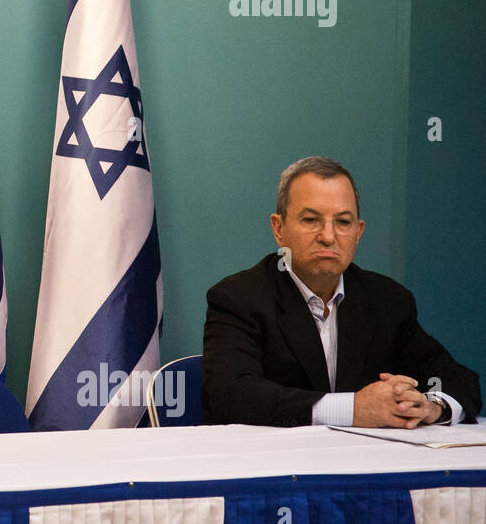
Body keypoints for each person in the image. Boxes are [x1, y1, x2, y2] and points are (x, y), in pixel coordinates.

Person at [203, 156, 479, 428]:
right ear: (279, 228)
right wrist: (353, 408)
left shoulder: (387, 300)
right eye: (311, 220)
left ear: (358, 232)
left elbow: (458, 378)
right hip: (275, 464)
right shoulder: (238, 297)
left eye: (343, 222)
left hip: (366, 462)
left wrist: (430, 406)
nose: (328, 236)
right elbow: (231, 395)